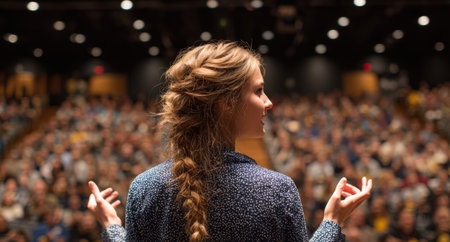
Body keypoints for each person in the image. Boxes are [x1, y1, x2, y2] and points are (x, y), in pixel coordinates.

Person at [87, 41, 372, 241]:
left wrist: (112, 224)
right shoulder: (276, 191)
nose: (269, 102)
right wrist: (333, 221)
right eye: (258, 91)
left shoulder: (144, 189)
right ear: (226, 103)